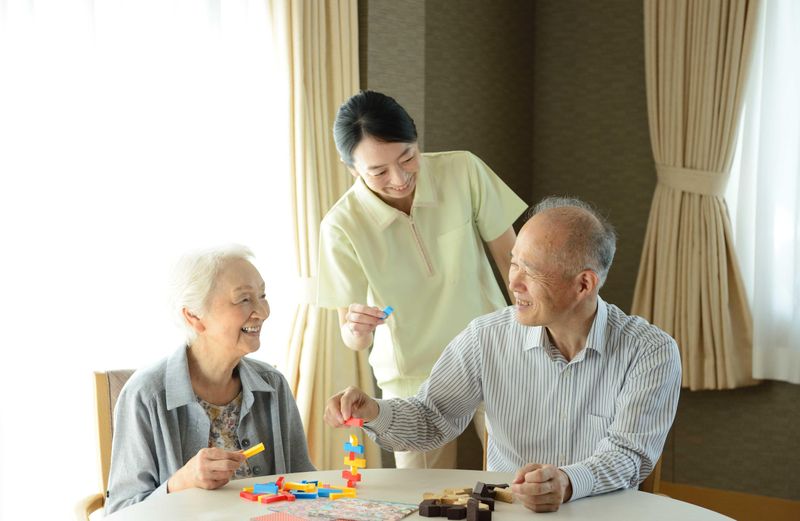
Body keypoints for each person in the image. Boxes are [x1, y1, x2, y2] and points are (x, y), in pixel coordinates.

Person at [324, 197, 681, 512]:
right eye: (514, 263)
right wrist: (373, 411)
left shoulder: (650, 351)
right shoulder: (486, 337)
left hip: (604, 514)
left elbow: (629, 455)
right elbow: (432, 418)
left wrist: (567, 483)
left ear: (584, 284)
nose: (513, 282)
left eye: (532, 271)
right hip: (508, 514)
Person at [317, 90, 527, 469]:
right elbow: (352, 338)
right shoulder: (341, 225)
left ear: (416, 141)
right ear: (353, 170)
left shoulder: (463, 170)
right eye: (378, 172)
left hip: (492, 355)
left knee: (519, 480)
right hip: (411, 377)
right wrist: (357, 327)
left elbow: (515, 266)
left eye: (407, 158)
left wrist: (535, 340)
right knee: (419, 499)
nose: (399, 179)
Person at [105, 245, 314, 514]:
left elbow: (304, 486)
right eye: (244, 300)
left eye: (262, 295)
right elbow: (120, 513)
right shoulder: (145, 395)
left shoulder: (273, 385)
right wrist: (180, 482)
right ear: (194, 316)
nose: (262, 311)